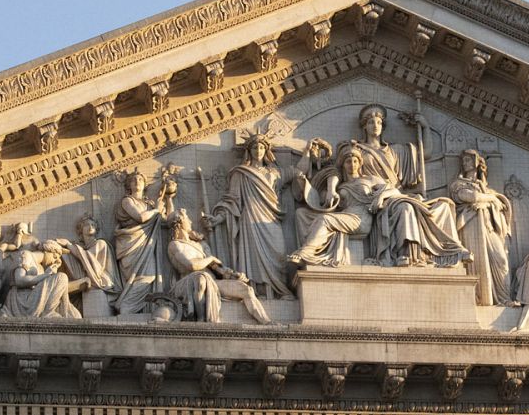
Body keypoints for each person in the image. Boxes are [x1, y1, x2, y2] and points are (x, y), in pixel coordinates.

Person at [290, 148, 468, 268]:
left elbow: (393, 190)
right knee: (302, 213)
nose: (352, 164)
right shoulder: (340, 186)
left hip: (362, 219)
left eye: (355, 161)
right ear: (343, 165)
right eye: (348, 162)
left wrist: (380, 197)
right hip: (346, 216)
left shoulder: (370, 179)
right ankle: (310, 253)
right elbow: (314, 199)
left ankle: (307, 252)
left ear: (360, 163)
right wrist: (329, 189)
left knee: (325, 219)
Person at [208, 132, 292, 299]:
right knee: (253, 257)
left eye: (261, 147)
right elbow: (232, 200)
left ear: (266, 150)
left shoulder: (274, 172)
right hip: (250, 217)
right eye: (254, 147)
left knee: (279, 255)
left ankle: (279, 290)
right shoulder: (241, 173)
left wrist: (309, 155)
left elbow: (296, 172)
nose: (258, 151)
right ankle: (257, 291)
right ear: (249, 151)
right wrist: (218, 218)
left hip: (271, 218)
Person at [167, 210, 270, 324]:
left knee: (246, 290)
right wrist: (211, 258)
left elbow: (216, 267)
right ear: (179, 223)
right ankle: (201, 321)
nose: (190, 221)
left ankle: (266, 322)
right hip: (189, 283)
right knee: (201, 278)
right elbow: (192, 265)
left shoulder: (200, 245)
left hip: (213, 281)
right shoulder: (175, 245)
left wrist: (231, 274)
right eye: (187, 218)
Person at [450, 149, 514, 305]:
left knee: (501, 260)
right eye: (463, 161)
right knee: (477, 261)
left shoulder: (487, 189)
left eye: (468, 160)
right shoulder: (458, 184)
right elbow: (471, 197)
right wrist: (491, 199)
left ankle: (504, 298)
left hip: (488, 227)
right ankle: (479, 298)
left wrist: (487, 201)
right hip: (471, 225)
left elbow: (501, 207)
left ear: (477, 163)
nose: (465, 163)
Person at [114, 170, 175, 314]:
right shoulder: (127, 201)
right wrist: (156, 210)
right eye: (133, 180)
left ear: (144, 184)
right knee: (140, 278)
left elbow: (168, 220)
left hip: (147, 246)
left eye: (140, 180)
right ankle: (126, 308)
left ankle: (136, 309)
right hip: (131, 245)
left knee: (149, 277)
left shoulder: (150, 205)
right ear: (128, 185)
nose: (137, 182)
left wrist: (168, 198)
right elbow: (140, 217)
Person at [3, 242, 81, 319]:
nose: (54, 262)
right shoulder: (26, 255)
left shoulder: (41, 268)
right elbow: (19, 280)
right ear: (47, 252)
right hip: (23, 300)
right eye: (55, 257)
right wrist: (46, 275)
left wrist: (49, 275)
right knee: (62, 277)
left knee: (75, 315)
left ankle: (62, 310)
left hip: (35, 300)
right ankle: (48, 312)